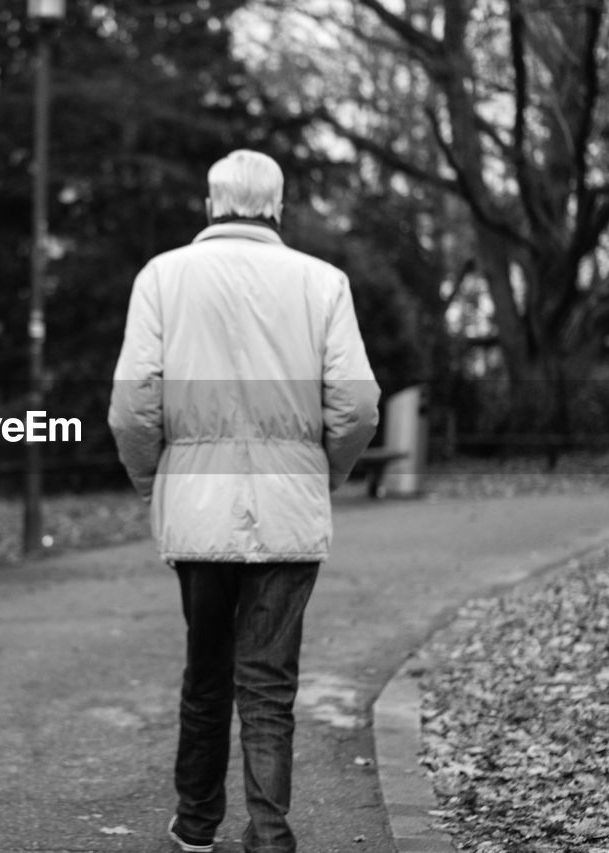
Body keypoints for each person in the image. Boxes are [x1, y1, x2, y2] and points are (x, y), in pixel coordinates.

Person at [108, 150, 380, 853]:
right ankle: (269, 832)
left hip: (196, 511)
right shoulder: (323, 283)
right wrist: (324, 472)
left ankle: (196, 823)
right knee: (268, 681)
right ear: (278, 209)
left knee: (206, 672)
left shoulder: (163, 277)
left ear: (210, 206)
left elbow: (132, 406)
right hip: (289, 509)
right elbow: (357, 404)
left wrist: (154, 481)